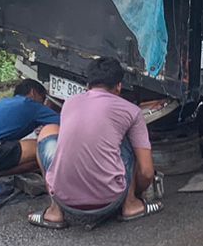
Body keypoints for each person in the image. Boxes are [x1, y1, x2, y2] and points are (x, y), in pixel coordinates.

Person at [29, 56, 160, 229]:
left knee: (47, 132)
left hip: (65, 200)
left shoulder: (70, 103)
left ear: (88, 85)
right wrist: (137, 191)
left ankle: (55, 212)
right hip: (111, 200)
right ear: (119, 86)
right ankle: (131, 205)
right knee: (128, 139)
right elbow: (147, 172)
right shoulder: (132, 111)